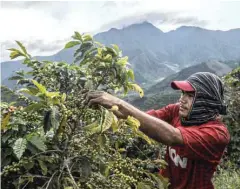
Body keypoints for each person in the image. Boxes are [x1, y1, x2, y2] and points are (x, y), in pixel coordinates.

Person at [85, 72, 230, 189]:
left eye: (190, 96)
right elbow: (143, 120)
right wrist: (108, 114)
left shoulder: (217, 134)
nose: (182, 100)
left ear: (206, 100)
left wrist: (119, 103)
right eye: (183, 93)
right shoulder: (178, 111)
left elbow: (172, 136)